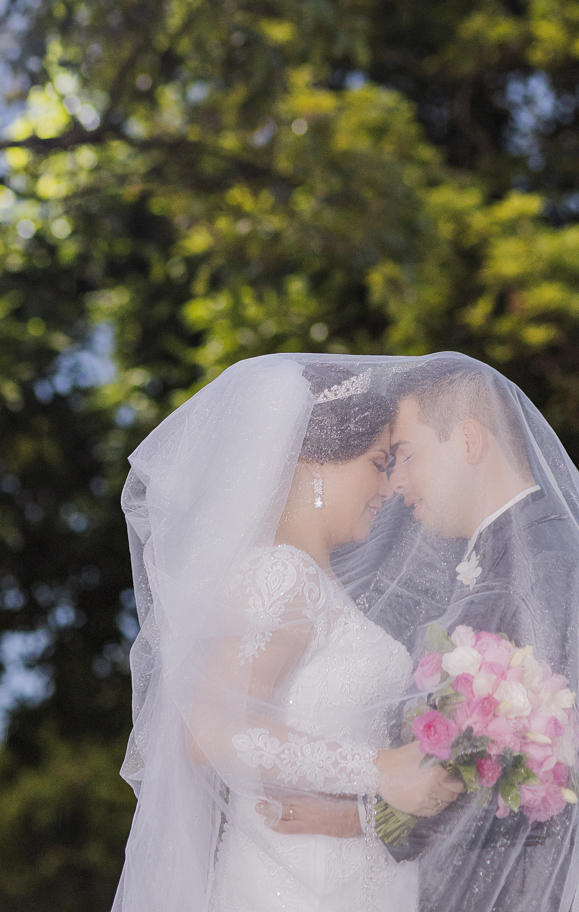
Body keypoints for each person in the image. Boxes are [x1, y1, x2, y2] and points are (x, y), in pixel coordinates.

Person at [265, 354, 579, 912]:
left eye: (407, 455)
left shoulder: (551, 567)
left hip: (531, 891)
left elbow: (546, 766)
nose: (396, 483)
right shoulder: (510, 561)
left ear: (468, 441)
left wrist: (363, 819)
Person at [112, 355, 461, 912]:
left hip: (353, 872)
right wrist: (380, 768)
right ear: (314, 461)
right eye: (378, 462)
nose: (391, 486)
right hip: (299, 884)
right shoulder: (280, 575)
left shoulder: (314, 582)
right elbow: (210, 733)